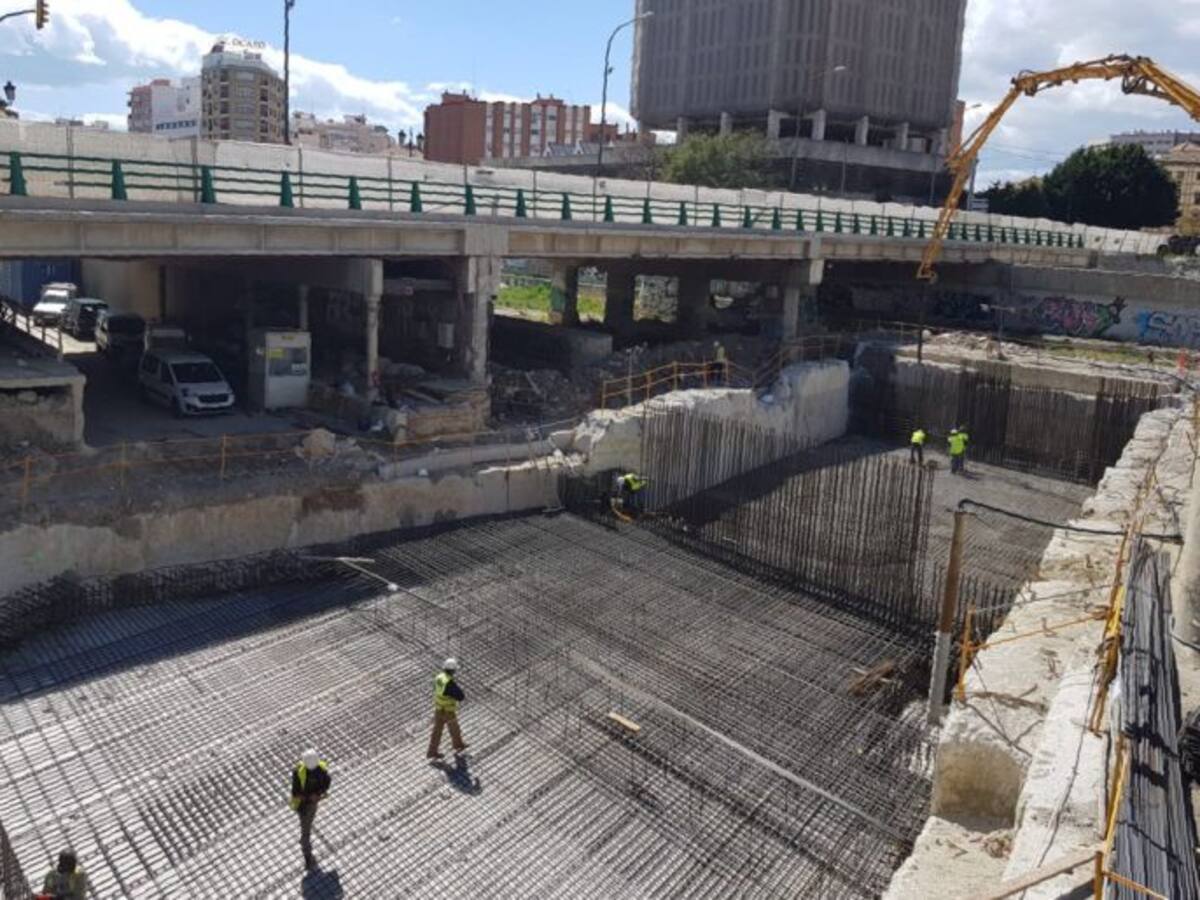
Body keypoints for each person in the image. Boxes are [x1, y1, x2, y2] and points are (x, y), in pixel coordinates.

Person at [289, 748, 331, 871]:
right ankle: (307, 855)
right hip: (306, 805)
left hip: (308, 804)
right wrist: (315, 795)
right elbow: (296, 793)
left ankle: (305, 842)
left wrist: (317, 794)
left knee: (306, 822)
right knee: (306, 830)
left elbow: (295, 793)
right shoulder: (318, 770)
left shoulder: (302, 771)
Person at [427, 658, 468, 761]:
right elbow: (461, 696)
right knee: (454, 728)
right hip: (448, 711)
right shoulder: (449, 683)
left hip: (438, 709)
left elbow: (436, 689)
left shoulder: (439, 677)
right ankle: (458, 745)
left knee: (437, 731)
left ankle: (432, 752)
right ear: (453, 670)